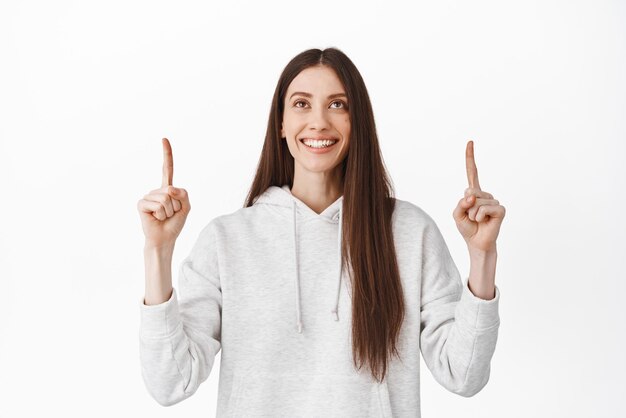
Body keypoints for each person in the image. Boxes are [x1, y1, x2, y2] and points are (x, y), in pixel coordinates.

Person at [137, 47, 505, 417]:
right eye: (301, 104)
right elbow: (171, 382)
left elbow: (464, 375)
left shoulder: (409, 232)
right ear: (280, 123)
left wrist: (482, 256)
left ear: (357, 121)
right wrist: (158, 251)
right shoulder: (226, 240)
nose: (318, 122)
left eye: (337, 105)